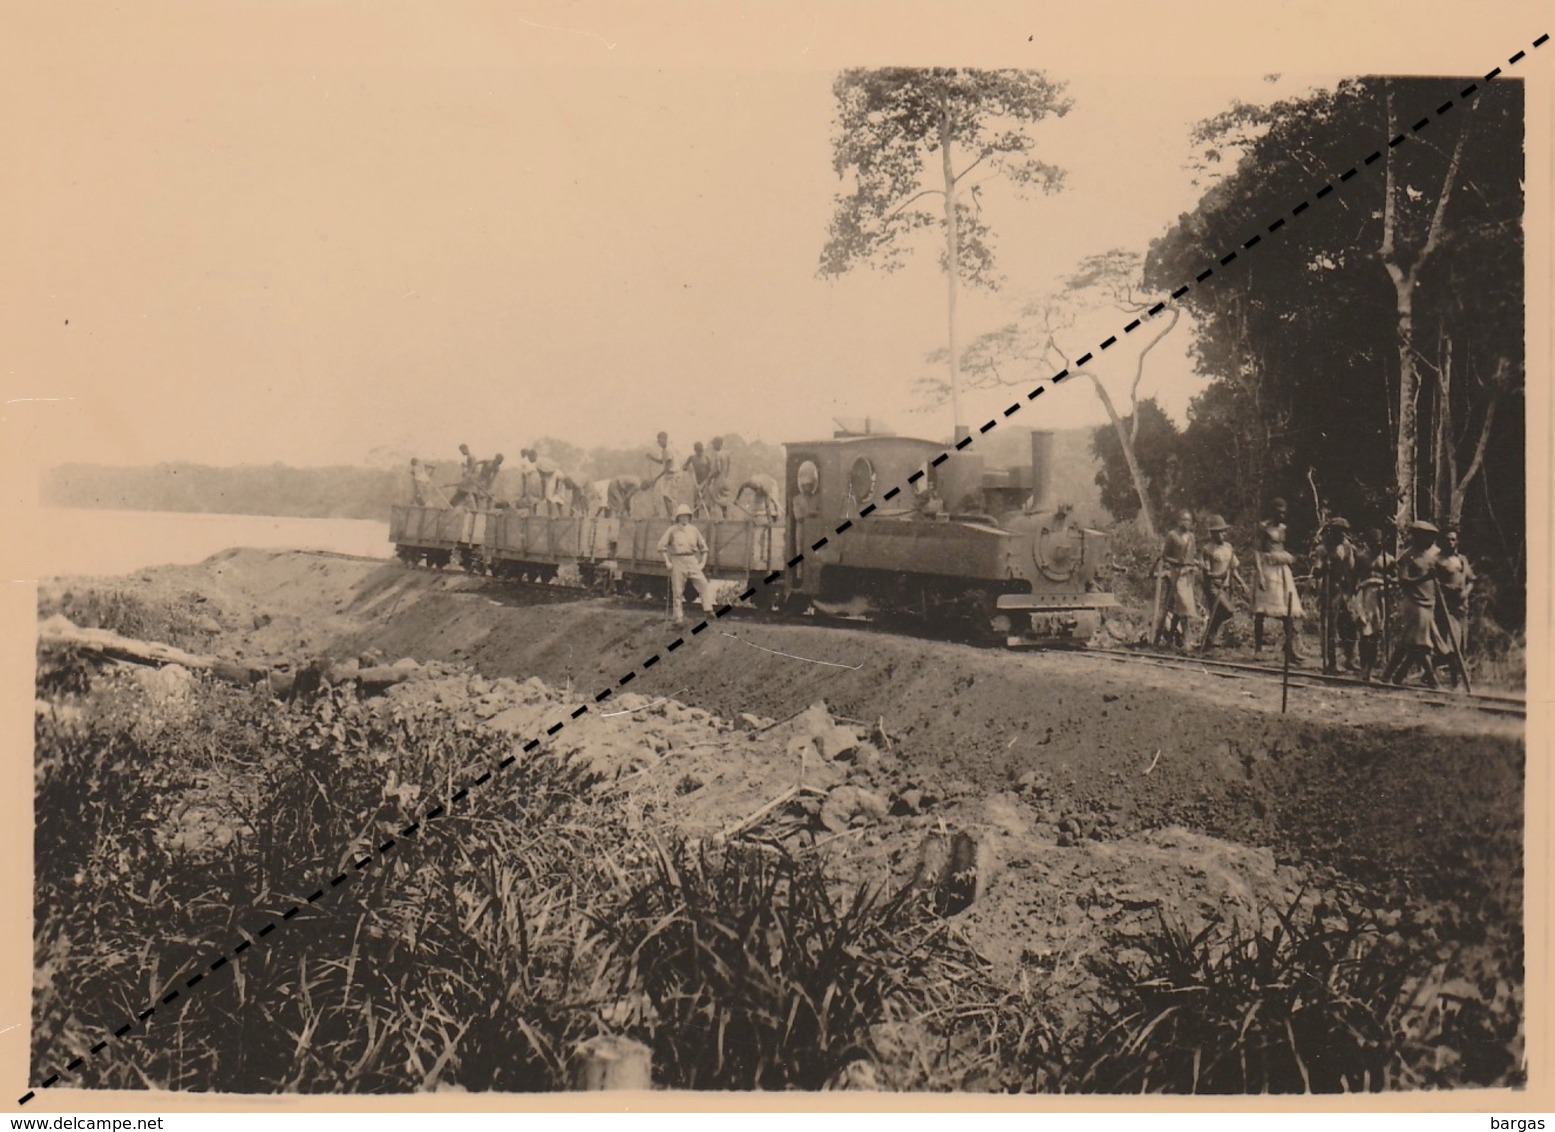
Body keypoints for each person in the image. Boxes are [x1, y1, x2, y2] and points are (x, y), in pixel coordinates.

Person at [1382, 520, 1446, 688]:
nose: (1430, 541)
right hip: (1414, 603)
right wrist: (1424, 578)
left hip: (1430, 603)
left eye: (1433, 538)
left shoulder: (1436, 554)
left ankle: (1390, 675)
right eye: (1427, 537)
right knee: (1422, 643)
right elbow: (1403, 581)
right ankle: (1433, 681)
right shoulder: (1407, 556)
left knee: (1408, 641)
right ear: (1418, 537)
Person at [1252, 497, 1303, 661]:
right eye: (1278, 512)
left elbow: (1283, 547)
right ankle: (1258, 649)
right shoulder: (1263, 527)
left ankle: (1290, 649)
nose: (1282, 515)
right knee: (1261, 611)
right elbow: (1257, 551)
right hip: (1267, 570)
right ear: (1273, 511)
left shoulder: (1283, 528)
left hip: (1282, 570)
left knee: (1287, 610)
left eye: (1284, 512)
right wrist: (1260, 574)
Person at [1313, 517, 1359, 673]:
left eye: (1345, 532)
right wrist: (1323, 567)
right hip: (1329, 590)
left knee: (1350, 624)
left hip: (1345, 589)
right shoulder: (1323, 549)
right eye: (1340, 532)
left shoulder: (1347, 547)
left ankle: (1350, 659)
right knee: (1330, 627)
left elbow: (1351, 567)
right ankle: (1331, 662)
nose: (1343, 535)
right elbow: (1316, 572)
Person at [657, 504, 715, 626]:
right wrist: (667, 562)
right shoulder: (672, 530)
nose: (684, 519)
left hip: (692, 560)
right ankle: (678, 618)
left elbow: (704, 548)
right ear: (678, 518)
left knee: (703, 585)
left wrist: (702, 563)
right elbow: (661, 546)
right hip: (677, 560)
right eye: (681, 516)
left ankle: (708, 610)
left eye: (686, 516)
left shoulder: (693, 530)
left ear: (689, 517)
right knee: (677, 591)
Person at [1197, 514, 1246, 651]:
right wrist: (1219, 574)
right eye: (1220, 532)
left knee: (1217, 613)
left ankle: (1208, 640)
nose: (1223, 534)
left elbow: (1233, 568)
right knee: (1228, 611)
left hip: (1225, 586)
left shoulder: (1229, 547)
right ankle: (1208, 638)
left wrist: (1242, 583)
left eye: (1224, 531)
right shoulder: (1207, 549)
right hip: (1212, 586)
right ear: (1213, 533)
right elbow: (1207, 572)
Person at [1352, 527, 1395, 682]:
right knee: (1365, 632)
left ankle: (1370, 667)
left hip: (1381, 597)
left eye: (1379, 543)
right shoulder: (1362, 557)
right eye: (1374, 543)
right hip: (1365, 596)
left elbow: (1395, 578)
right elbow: (1354, 578)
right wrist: (1354, 599)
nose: (1377, 546)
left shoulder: (1388, 559)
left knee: (1377, 633)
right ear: (1368, 543)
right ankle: (1364, 667)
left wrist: (1389, 581)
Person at [1434, 526, 1476, 685]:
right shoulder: (1437, 559)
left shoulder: (1462, 559)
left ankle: (1452, 677)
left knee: (1460, 642)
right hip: (1445, 606)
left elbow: (1471, 579)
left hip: (1462, 606)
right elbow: (1434, 582)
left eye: (1453, 539)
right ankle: (1451, 678)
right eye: (1447, 539)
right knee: (1449, 641)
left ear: (1456, 541)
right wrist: (1446, 589)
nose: (1450, 542)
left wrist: (1466, 591)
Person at [1153, 510, 1200, 649]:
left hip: (1188, 575)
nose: (1186, 523)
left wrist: (1195, 563)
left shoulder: (1191, 537)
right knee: (1184, 606)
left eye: (1189, 521)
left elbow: (1193, 555)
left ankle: (1169, 640)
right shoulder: (1172, 536)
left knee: (1181, 609)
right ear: (1179, 521)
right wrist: (1177, 561)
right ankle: (1186, 640)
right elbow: (1164, 556)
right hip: (1176, 574)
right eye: (1184, 520)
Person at [645, 431, 681, 517]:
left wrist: (655, 479)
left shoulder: (668, 450)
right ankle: (671, 516)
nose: (659, 443)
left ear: (665, 439)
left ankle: (673, 516)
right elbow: (663, 462)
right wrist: (652, 458)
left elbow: (667, 468)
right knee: (666, 496)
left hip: (673, 475)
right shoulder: (664, 450)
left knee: (670, 497)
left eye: (660, 440)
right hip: (668, 476)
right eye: (658, 441)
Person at [684, 441, 716, 517]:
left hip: (706, 483)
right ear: (695, 450)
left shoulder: (707, 458)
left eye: (701, 450)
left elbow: (710, 473)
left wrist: (703, 484)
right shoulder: (692, 458)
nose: (700, 452)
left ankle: (710, 519)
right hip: (696, 482)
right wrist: (688, 467)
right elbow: (684, 467)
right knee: (696, 502)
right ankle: (696, 519)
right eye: (698, 451)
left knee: (707, 502)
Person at [706, 436, 732, 519]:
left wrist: (709, 478)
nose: (713, 446)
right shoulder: (727, 454)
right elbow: (728, 468)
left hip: (718, 481)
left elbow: (717, 469)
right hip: (725, 480)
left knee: (715, 501)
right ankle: (727, 520)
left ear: (718, 444)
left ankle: (717, 521)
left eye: (714, 444)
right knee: (725, 501)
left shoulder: (718, 454)